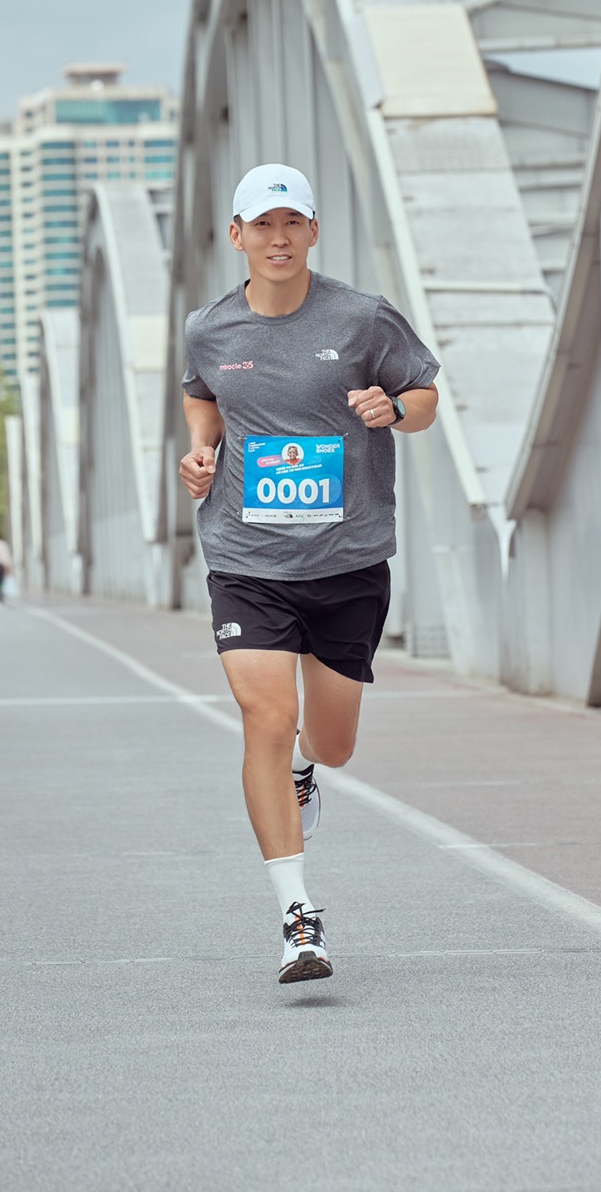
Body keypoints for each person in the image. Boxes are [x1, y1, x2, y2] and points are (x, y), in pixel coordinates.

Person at [179, 162, 439, 985]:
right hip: (247, 559)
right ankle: (298, 917)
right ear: (237, 236)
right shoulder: (209, 328)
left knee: (332, 742)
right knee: (265, 715)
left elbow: (426, 395)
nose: (279, 238)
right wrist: (200, 451)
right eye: (263, 224)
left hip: (346, 560)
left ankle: (305, 768)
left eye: (292, 222)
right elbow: (201, 395)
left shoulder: (362, 318)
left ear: (313, 232)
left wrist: (394, 409)